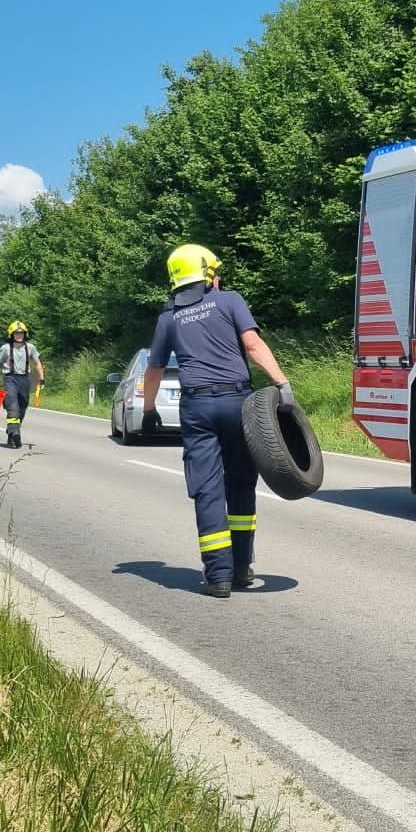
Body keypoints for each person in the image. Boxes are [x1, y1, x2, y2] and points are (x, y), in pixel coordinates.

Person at [136, 244, 291, 598]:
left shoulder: (167, 318)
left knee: (207, 490)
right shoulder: (229, 300)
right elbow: (252, 345)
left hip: (198, 409)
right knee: (240, 483)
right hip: (238, 402)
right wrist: (282, 383)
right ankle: (241, 567)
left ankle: (218, 576)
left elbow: (154, 369)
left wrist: (148, 411)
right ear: (207, 275)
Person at [0, 320, 44, 449]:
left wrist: (41, 378)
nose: (19, 335)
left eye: (21, 333)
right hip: (10, 379)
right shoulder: (5, 348)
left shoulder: (31, 347)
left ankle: (12, 432)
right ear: (11, 334)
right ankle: (14, 432)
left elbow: (37, 363)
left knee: (22, 408)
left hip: (24, 380)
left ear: (25, 334)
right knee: (12, 406)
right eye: (16, 333)